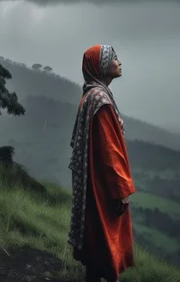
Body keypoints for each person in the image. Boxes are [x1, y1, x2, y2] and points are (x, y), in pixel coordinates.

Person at [67, 44, 136, 282]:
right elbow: (110, 150)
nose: (119, 62)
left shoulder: (91, 94)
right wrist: (120, 190)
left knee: (96, 238)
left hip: (93, 179)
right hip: (104, 185)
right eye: (115, 58)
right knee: (106, 237)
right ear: (102, 65)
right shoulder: (100, 98)